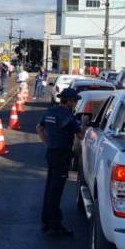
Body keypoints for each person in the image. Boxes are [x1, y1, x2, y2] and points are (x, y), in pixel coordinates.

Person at [35, 88, 83, 236]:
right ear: (69, 101)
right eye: (74, 101)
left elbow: (39, 128)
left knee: (50, 186)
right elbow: (81, 135)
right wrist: (86, 126)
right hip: (62, 154)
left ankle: (46, 220)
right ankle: (54, 224)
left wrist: (48, 143)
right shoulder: (68, 116)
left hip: (51, 152)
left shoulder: (51, 111)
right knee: (56, 190)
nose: (75, 104)